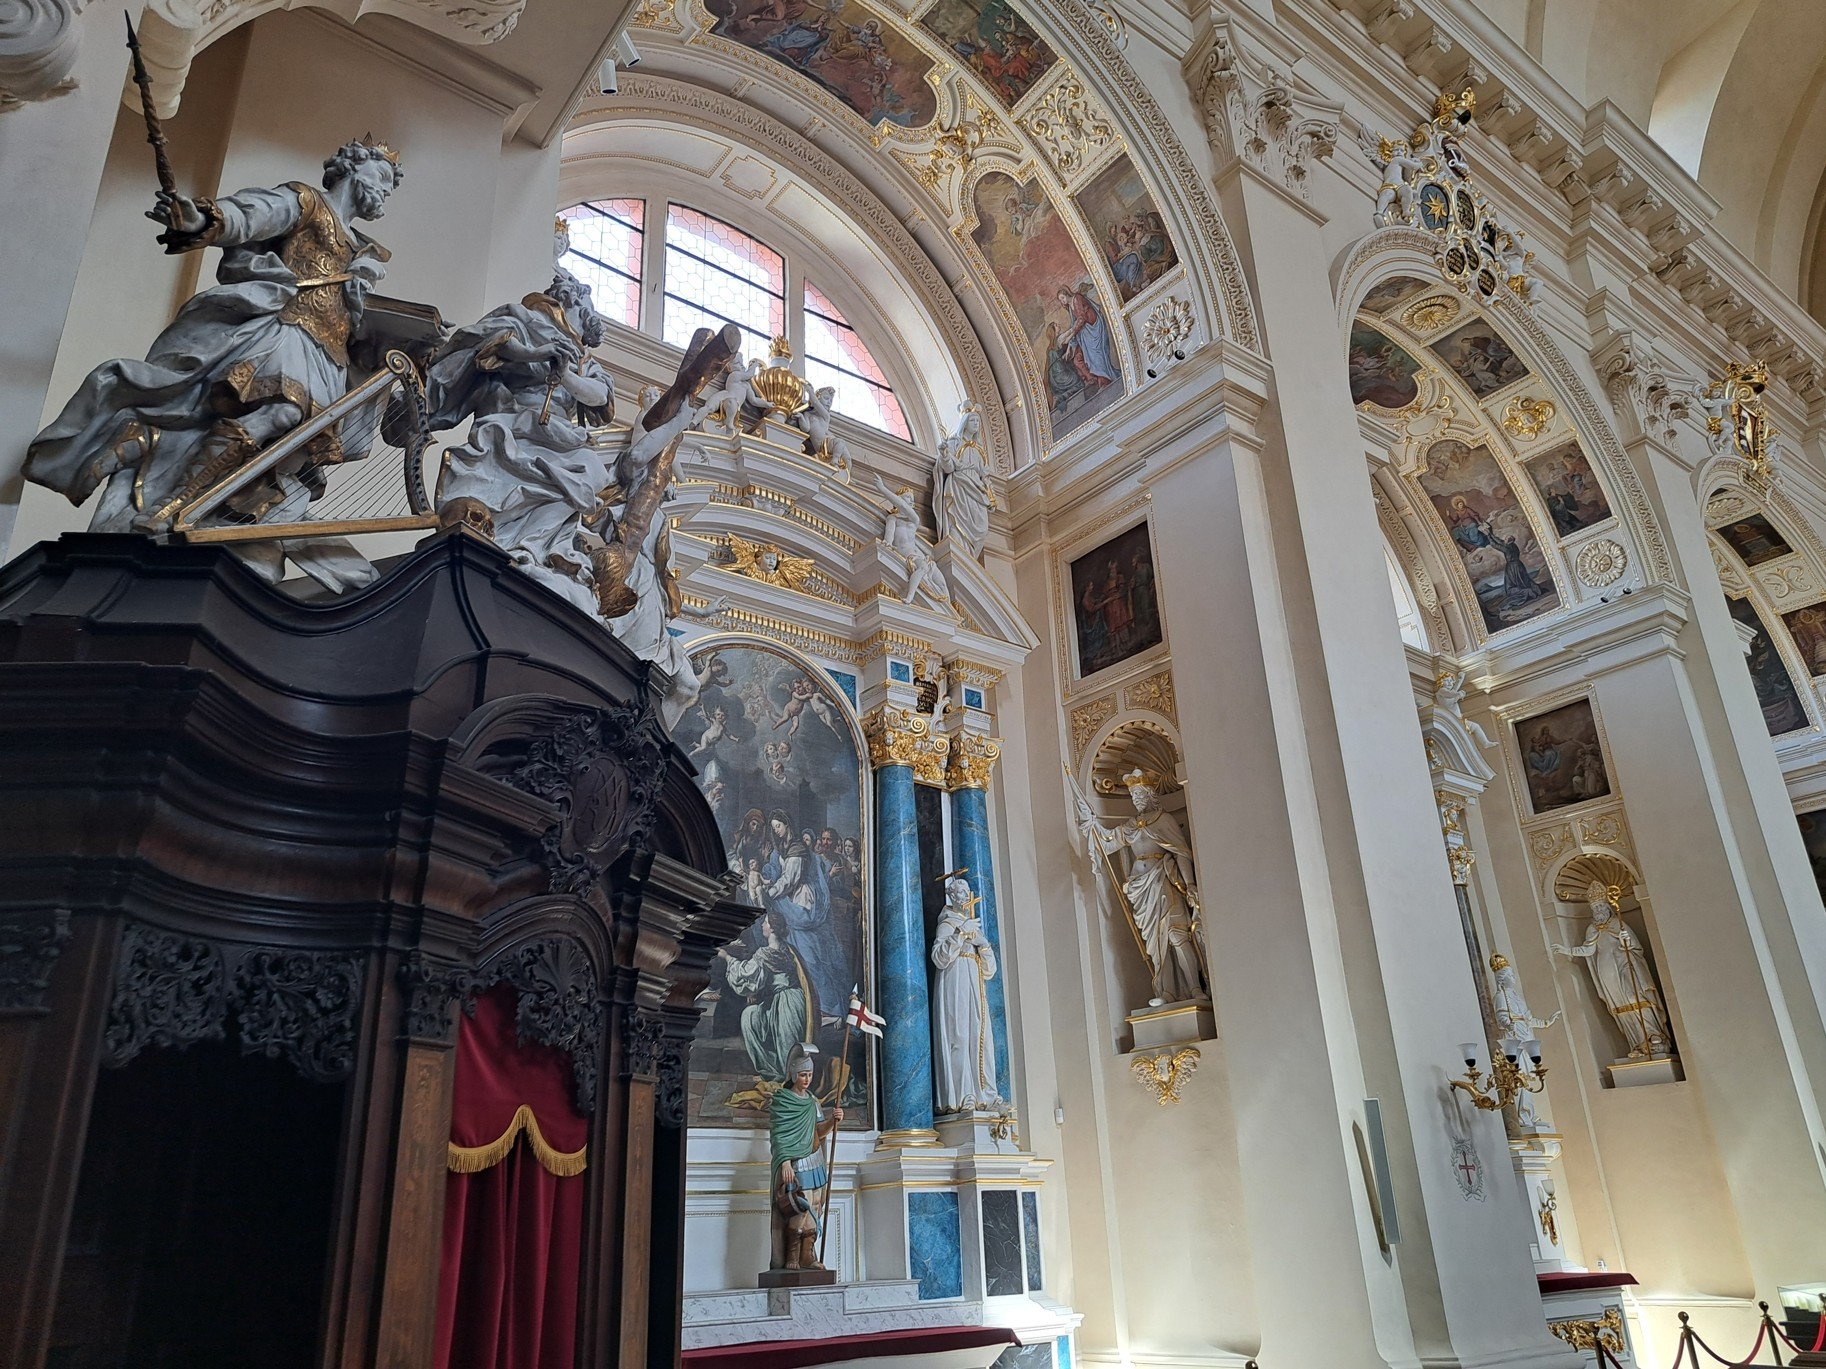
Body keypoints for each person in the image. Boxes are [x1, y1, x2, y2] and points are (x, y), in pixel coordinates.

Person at [29, 137, 403, 548]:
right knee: (282, 411)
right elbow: (253, 213)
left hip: (329, 354)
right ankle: (175, 502)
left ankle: (186, 487)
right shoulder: (307, 202)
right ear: (353, 166)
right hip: (287, 329)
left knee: (285, 445)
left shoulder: (364, 250)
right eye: (382, 176)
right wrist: (206, 219)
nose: (386, 189)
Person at [1073, 768, 1208, 1004]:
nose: (1135, 800)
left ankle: (1196, 989)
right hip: (1140, 888)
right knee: (1155, 943)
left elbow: (1181, 853)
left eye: (1138, 794)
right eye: (1133, 796)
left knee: (1177, 934)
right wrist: (1092, 823)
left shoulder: (1163, 820)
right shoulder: (1132, 826)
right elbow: (1107, 842)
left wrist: (1190, 884)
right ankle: (1166, 992)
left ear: (1149, 794)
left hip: (1163, 881)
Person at [1553, 882, 1673, 1060]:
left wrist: (1626, 940)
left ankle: (1654, 1035)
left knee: (1635, 997)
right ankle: (1638, 1042)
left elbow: (1635, 947)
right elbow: (1588, 949)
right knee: (1619, 1005)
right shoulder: (1592, 929)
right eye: (1595, 908)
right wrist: (1567, 950)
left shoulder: (1618, 923)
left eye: (1601, 906)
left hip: (1625, 964)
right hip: (1606, 969)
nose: (1598, 911)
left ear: (1608, 907)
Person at [766, 1044, 843, 1273]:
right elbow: (779, 1135)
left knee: (816, 1206)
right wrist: (785, 1162)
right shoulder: (782, 1101)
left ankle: (807, 1256)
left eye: (810, 1074)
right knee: (800, 1207)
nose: (807, 1079)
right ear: (793, 1074)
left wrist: (833, 1121)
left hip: (815, 1159)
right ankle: (792, 1255)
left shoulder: (812, 1102)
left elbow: (819, 1131)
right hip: (796, 1163)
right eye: (803, 1074)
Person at [930, 874, 999, 1114]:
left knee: (981, 1036)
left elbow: (990, 971)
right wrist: (959, 934)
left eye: (967, 891)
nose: (965, 896)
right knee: (958, 1035)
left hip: (975, 984)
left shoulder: (974, 926)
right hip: (954, 981)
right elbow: (939, 958)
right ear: (951, 896)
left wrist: (984, 944)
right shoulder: (946, 924)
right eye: (960, 892)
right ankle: (964, 1095)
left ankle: (986, 1094)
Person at [719, 913, 812, 1083]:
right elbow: (764, 980)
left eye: (765, 923)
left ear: (773, 928)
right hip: (795, 1000)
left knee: (786, 1044)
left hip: (786, 1005)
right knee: (750, 1015)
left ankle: (785, 1078)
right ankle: (770, 1069)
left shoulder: (764, 953)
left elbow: (744, 974)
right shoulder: (788, 949)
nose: (762, 925)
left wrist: (727, 957)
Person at [932, 403, 994, 557]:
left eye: (977, 421)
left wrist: (991, 496)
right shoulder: (954, 443)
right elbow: (948, 468)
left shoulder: (979, 449)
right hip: (959, 486)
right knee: (958, 521)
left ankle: (970, 558)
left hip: (977, 489)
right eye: (972, 420)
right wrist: (944, 454)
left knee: (982, 528)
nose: (976, 424)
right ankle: (958, 555)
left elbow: (985, 475)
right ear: (965, 423)